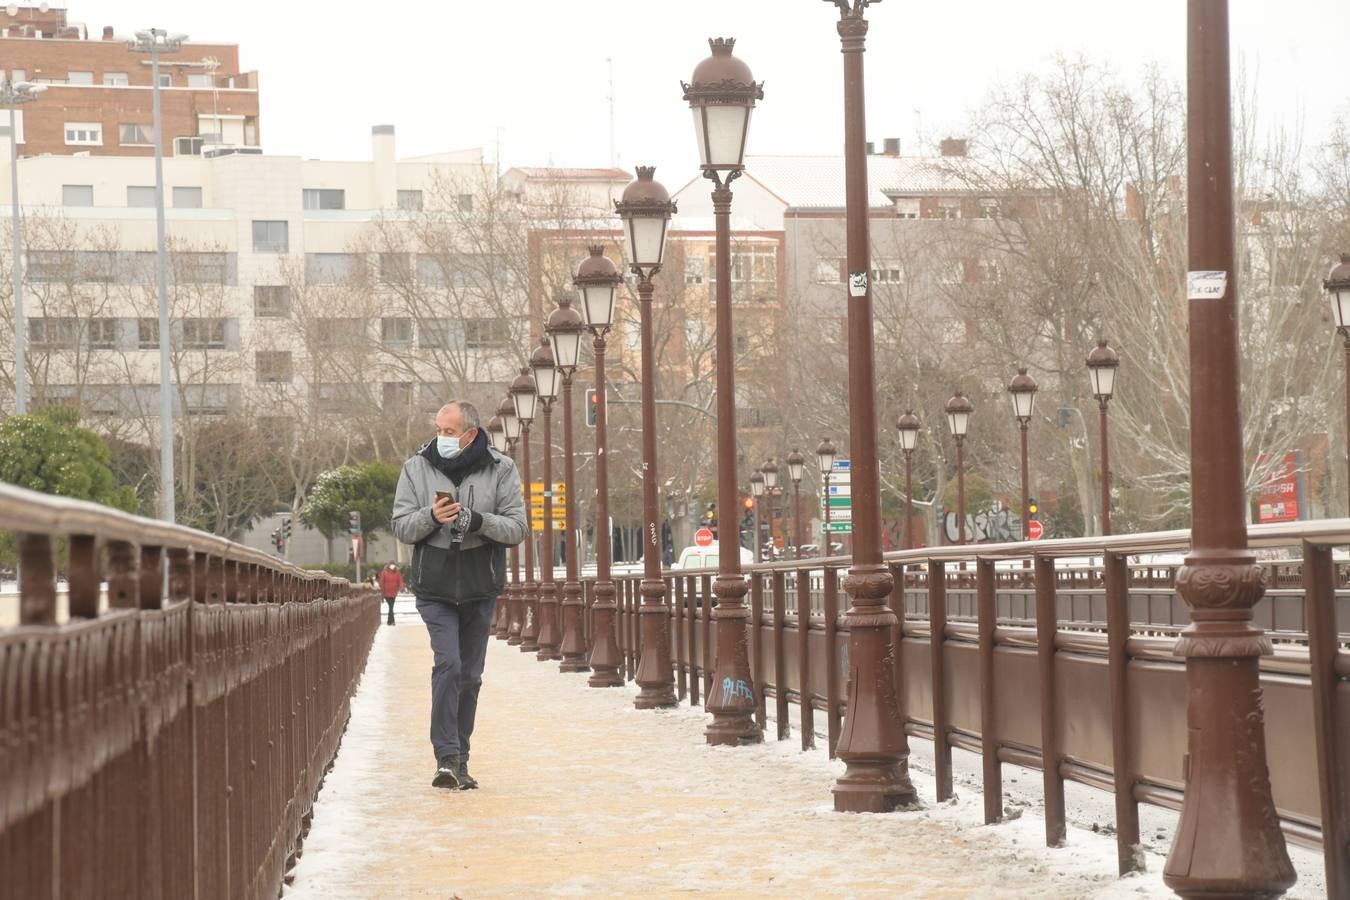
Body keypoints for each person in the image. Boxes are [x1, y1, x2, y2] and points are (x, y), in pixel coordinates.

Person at [392, 400, 527, 790]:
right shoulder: (415, 468)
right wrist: (431, 517)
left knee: (470, 676)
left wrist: (478, 521)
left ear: (470, 435)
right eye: (438, 429)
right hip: (434, 586)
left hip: (479, 586)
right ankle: (446, 756)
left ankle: (460, 757)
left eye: (449, 432)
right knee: (448, 664)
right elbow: (401, 526)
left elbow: (517, 528)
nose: (441, 438)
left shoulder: (501, 468)